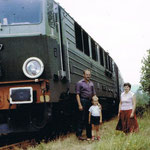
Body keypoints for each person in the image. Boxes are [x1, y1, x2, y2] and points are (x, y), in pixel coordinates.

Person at [76, 69, 96, 140]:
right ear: (83, 75)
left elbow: (94, 95)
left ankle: (89, 135)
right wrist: (79, 105)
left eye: (89, 75)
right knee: (82, 118)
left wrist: (97, 104)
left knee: (89, 118)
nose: (88, 76)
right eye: (86, 74)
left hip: (90, 102)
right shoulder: (80, 83)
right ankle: (79, 135)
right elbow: (77, 95)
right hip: (83, 101)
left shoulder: (91, 83)